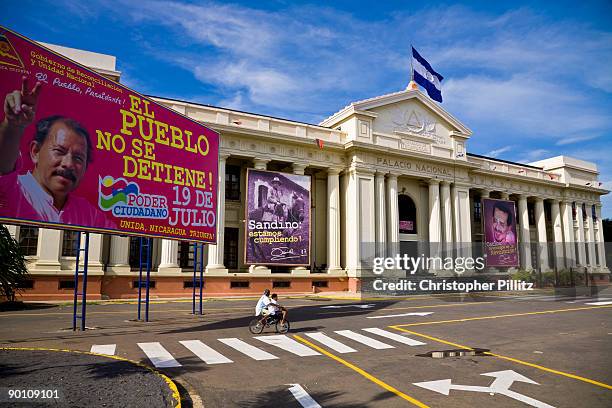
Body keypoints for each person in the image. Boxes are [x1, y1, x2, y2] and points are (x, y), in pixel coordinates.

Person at [0, 76, 115, 228]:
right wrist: (13, 126)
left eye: (78, 158)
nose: (68, 164)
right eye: (59, 151)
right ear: (35, 152)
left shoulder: (88, 214)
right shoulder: (13, 190)